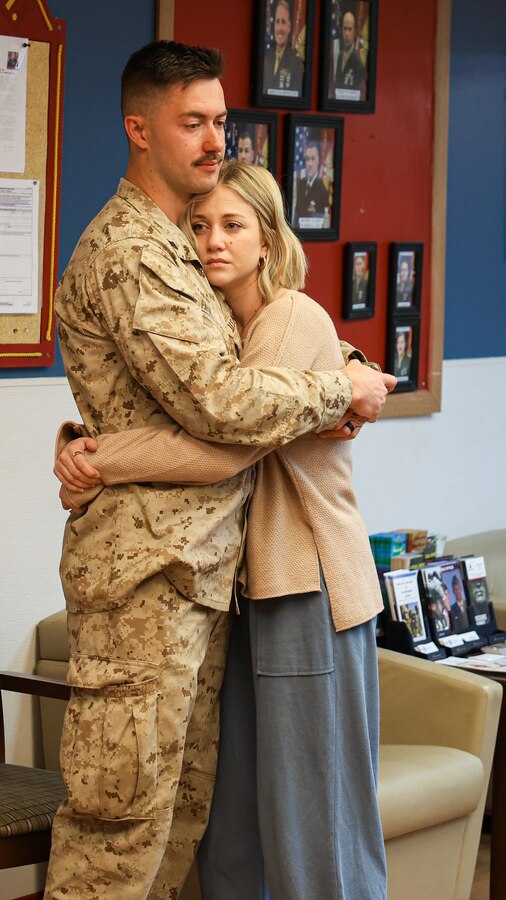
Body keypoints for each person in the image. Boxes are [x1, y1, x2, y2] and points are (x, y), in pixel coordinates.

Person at [45, 39, 395, 900]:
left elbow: (241, 361)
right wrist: (339, 385)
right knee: (120, 841)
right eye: (191, 123)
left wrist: (342, 366)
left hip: (209, 582)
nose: (213, 141)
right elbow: (222, 407)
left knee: (181, 831)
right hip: (147, 584)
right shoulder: (135, 251)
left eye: (220, 120)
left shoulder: (181, 256)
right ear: (139, 129)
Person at [263, 0, 303, 97]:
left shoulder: (296, 62)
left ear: (289, 27)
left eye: (283, 22)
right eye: (277, 22)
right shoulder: (267, 57)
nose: (280, 28)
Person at [293, 141, 331, 228]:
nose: (309, 164)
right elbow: (297, 214)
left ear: (318, 161)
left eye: (313, 159)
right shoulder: (301, 184)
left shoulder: (323, 189)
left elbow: (325, 220)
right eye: (307, 159)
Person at [333, 9, 366, 100]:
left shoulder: (358, 62)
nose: (347, 34)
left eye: (350, 29)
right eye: (345, 29)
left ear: (354, 32)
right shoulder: (339, 56)